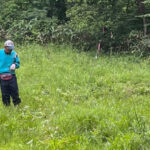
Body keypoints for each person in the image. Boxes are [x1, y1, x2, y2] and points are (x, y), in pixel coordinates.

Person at [0, 40, 21, 106]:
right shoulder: (0, 53)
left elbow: (18, 63)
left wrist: (15, 65)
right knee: (5, 92)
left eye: (11, 49)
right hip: (1, 74)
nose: (10, 50)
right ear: (5, 47)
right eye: (9, 49)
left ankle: (17, 105)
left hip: (11, 74)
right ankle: (7, 106)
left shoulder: (14, 54)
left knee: (14, 90)